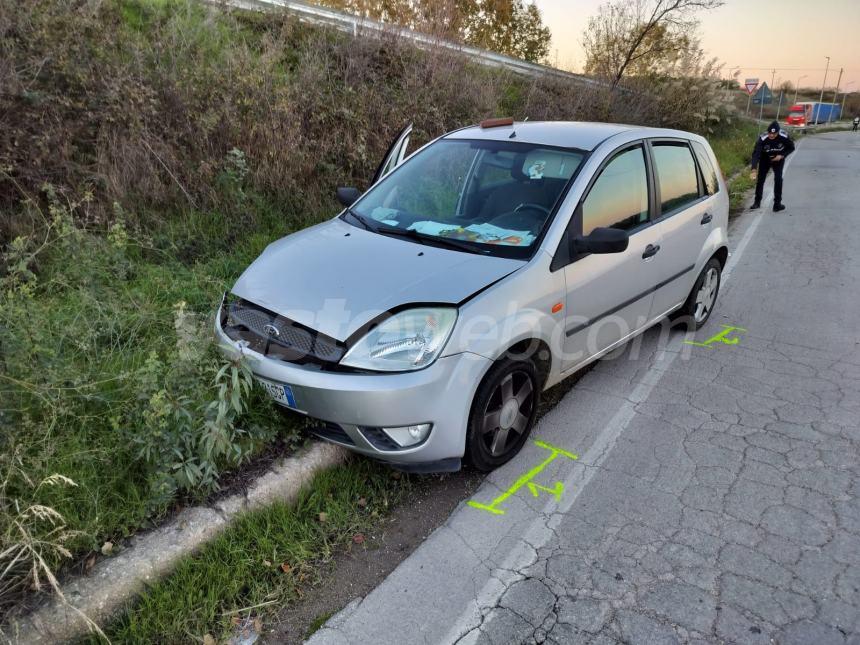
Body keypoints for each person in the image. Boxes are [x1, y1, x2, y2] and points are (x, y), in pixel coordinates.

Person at [750, 120, 795, 212]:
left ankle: (777, 204)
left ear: (778, 132)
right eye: (770, 133)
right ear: (768, 131)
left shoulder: (784, 136)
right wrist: (754, 169)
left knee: (778, 179)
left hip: (778, 159)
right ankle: (757, 202)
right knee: (760, 180)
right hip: (765, 159)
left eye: (774, 134)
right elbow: (756, 154)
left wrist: (782, 155)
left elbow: (791, 147)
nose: (771, 135)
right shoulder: (762, 138)